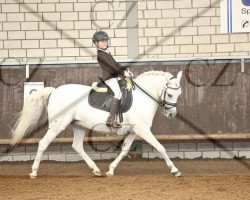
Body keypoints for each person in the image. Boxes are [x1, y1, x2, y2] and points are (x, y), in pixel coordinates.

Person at [92, 30, 133, 129]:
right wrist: (123, 73)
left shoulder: (107, 52)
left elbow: (116, 64)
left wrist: (125, 69)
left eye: (105, 41)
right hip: (109, 78)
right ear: (96, 43)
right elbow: (112, 68)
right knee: (118, 93)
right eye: (101, 41)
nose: (104, 42)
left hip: (115, 76)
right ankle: (110, 119)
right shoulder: (100, 55)